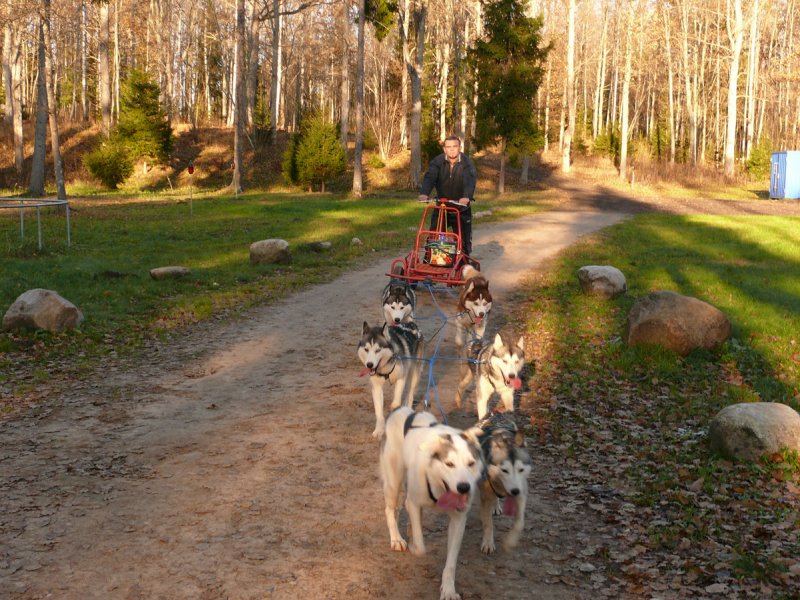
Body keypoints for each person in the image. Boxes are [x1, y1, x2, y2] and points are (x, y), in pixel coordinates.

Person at [418, 135, 477, 256]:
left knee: (463, 241)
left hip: (461, 208)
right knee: (434, 237)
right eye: (448, 147)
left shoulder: (467, 163)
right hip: (442, 207)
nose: (451, 149)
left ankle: (463, 264)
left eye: (454, 146)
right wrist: (424, 193)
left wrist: (466, 196)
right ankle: (429, 260)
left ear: (459, 148)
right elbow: (430, 177)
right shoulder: (437, 161)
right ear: (444, 149)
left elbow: (469, 180)